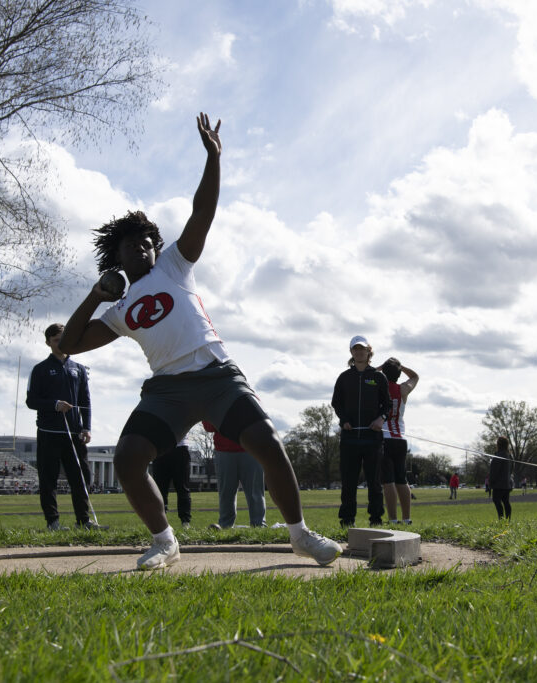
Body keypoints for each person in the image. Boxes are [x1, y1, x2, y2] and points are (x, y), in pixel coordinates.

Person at [58, 112, 340, 570]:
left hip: (216, 374)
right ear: (117, 257)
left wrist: (214, 158)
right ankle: (165, 541)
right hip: (167, 389)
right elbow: (68, 345)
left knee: (268, 443)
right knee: (129, 457)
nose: (145, 247)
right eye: (134, 245)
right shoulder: (118, 310)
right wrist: (94, 294)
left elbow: (202, 211)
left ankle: (300, 534)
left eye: (149, 241)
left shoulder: (174, 265)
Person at [25, 323, 103, 531]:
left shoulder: (78, 369)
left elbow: (85, 400)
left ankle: (83, 521)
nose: (61, 343)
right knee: (48, 479)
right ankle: (53, 522)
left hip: (75, 434)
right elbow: (31, 401)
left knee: (81, 477)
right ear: (48, 342)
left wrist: (86, 427)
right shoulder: (40, 369)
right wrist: (54, 405)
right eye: (57, 340)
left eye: (64, 338)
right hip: (49, 432)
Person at [332, 335, 390, 527]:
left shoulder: (378, 377)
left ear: (368, 352)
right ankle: (347, 520)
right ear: (351, 352)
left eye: (362, 349)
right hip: (349, 440)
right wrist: (344, 420)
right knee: (348, 483)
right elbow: (336, 403)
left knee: (374, 483)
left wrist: (380, 419)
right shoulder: (344, 378)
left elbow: (387, 405)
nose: (359, 352)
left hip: (372, 439)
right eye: (355, 349)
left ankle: (376, 520)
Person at [204, 420, 266, 528]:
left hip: (251, 448)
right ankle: (225, 527)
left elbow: (259, 422)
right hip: (224, 450)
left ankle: (259, 526)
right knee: (226, 493)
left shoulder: (253, 401)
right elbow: (208, 426)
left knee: (255, 492)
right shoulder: (213, 402)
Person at [378, 357, 419, 524]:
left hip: (384, 438)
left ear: (385, 373)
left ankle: (393, 519)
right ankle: (407, 518)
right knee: (402, 480)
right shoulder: (403, 389)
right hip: (400, 439)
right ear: (399, 373)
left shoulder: (379, 388)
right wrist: (401, 367)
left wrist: (381, 367)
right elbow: (415, 377)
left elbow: (367, 374)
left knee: (388, 481)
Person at [151, 436, 193, 529]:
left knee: (182, 488)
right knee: (159, 489)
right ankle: (160, 522)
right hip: (160, 449)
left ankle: (185, 522)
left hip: (179, 448)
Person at [489, 436, 514, 521]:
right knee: (506, 501)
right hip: (507, 483)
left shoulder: (499, 456)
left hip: (499, 484)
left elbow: (494, 470)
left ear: (498, 444)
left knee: (496, 500)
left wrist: (491, 481)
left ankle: (501, 519)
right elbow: (512, 469)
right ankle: (507, 520)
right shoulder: (509, 455)